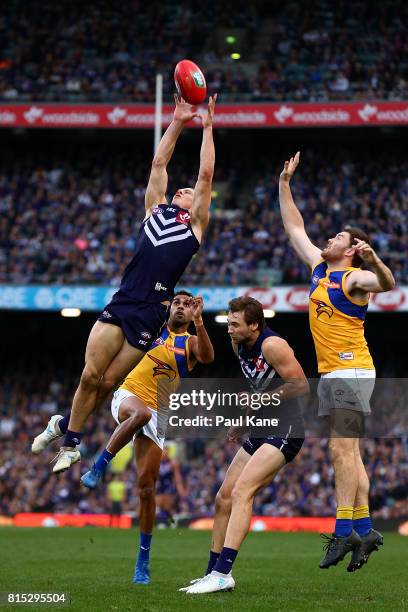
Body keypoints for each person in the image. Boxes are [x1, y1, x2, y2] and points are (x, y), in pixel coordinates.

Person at [41, 94, 217, 474]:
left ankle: (64, 430)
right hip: (125, 300)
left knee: (107, 383)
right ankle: (70, 441)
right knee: (90, 375)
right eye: (181, 189)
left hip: (153, 312)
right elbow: (159, 162)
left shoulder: (196, 225)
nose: (186, 190)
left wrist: (207, 128)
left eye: (190, 191)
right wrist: (178, 120)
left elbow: (206, 176)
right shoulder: (155, 209)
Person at [33, 292, 214, 585]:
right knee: (138, 415)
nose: (181, 307)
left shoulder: (190, 342)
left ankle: (143, 560)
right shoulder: (152, 330)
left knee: (146, 488)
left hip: (160, 413)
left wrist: (201, 322)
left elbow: (207, 357)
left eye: (187, 304)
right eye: (177, 303)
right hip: (127, 396)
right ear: (169, 309)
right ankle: (99, 465)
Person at [278, 152, 395, 571]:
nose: (330, 239)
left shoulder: (353, 278)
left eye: (338, 238)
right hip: (334, 374)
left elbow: (386, 283)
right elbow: (295, 225)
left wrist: (376, 259)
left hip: (352, 369)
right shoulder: (318, 269)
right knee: (352, 457)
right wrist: (285, 183)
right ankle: (366, 530)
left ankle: (343, 533)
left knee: (339, 451)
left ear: (352, 251)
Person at [180, 296, 308, 594]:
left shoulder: (272, 345)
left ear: (254, 325)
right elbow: (259, 387)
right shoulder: (239, 345)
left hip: (286, 429)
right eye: (228, 322)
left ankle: (224, 573)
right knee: (223, 497)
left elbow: (300, 385)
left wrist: (259, 401)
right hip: (262, 427)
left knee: (242, 492)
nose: (229, 329)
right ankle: (212, 573)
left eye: (235, 324)